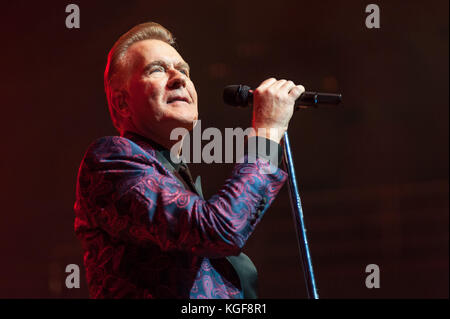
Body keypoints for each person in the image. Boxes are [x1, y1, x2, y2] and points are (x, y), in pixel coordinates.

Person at [74, 22, 305, 298]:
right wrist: (266, 132)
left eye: (183, 70)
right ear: (122, 103)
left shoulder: (175, 177)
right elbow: (220, 229)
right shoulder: (110, 161)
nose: (178, 77)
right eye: (157, 69)